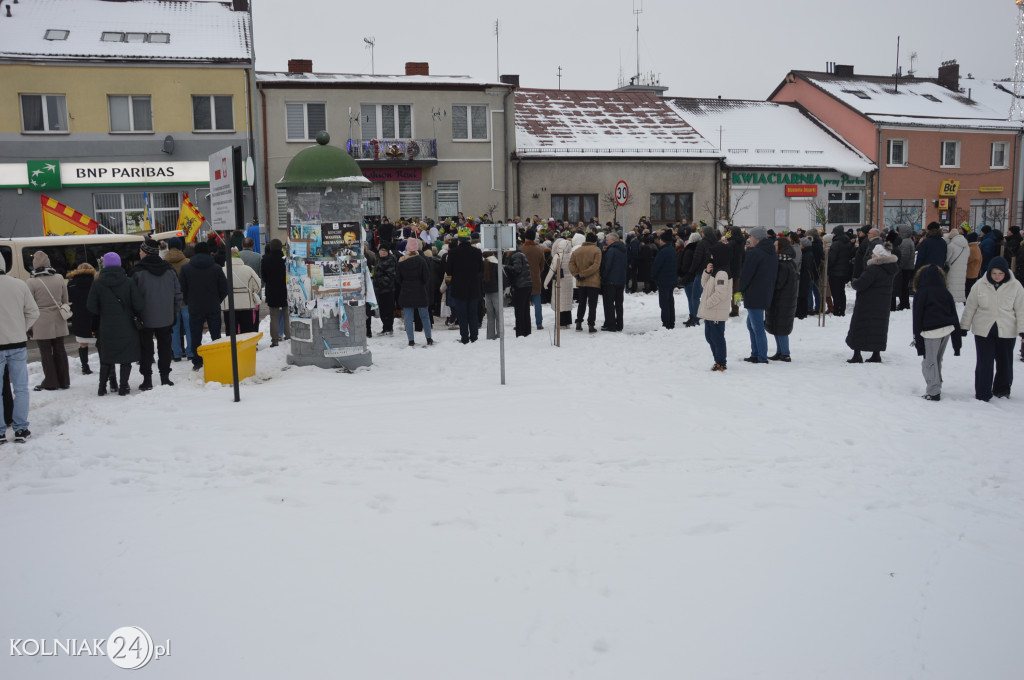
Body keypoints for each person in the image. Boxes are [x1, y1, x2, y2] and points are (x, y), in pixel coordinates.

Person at [960, 256, 1024, 401]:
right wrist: (964, 326)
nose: (997, 276)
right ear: (989, 272)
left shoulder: (1016, 286)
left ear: (1006, 273)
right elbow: (970, 307)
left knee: (1004, 362)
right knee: (985, 362)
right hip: (984, 331)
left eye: (1000, 273)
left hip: (1007, 330)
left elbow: (1021, 309)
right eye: (994, 273)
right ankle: (982, 392)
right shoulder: (979, 285)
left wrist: (1022, 330)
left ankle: (1002, 390)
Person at [87, 252, 144, 396]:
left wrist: (104, 311)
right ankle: (124, 387)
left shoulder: (97, 283)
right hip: (127, 326)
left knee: (107, 357)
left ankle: (102, 388)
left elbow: (91, 306)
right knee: (126, 358)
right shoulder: (129, 282)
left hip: (106, 326)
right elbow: (138, 304)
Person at [0, 254, 40, 443]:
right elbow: (33, 312)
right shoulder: (19, 284)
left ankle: (0, 432)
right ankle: (21, 429)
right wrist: (20, 328)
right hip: (17, 343)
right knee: (21, 388)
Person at [132, 237, 181, 390]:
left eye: (141, 251)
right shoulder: (169, 270)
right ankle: (165, 377)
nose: (139, 253)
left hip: (144, 318)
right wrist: (174, 311)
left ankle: (147, 380)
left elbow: (132, 296)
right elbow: (177, 293)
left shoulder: (136, 271)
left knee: (146, 349)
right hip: (166, 317)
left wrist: (135, 314)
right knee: (165, 347)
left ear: (146, 252)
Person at [912, 265, 962, 401]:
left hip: (930, 331)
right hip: (947, 329)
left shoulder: (921, 293)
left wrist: (918, 341)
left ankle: (933, 391)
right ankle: (936, 384)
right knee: (937, 359)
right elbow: (954, 315)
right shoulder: (945, 292)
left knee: (929, 361)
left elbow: (917, 317)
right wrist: (957, 344)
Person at [179, 241, 229, 371]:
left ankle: (197, 361)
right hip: (213, 306)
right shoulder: (216, 268)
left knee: (196, 335)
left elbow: (182, 289)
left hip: (195, 306)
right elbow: (224, 288)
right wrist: (217, 300)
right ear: (208, 252)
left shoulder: (186, 268)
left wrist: (188, 300)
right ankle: (216, 359)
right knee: (216, 335)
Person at [26, 251, 71, 391]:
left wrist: (28, 325)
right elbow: (65, 300)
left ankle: (51, 382)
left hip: (41, 320)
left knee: (45, 352)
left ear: (34, 265)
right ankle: (64, 381)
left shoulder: (31, 282)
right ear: (48, 262)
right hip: (59, 318)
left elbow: (29, 305)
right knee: (60, 350)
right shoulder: (59, 278)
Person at [846, 244, 899, 363]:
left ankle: (857, 354)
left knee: (860, 326)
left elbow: (861, 284)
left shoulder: (873, 269)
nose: (872, 255)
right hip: (883, 304)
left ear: (879, 255)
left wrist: (854, 281)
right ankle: (876, 354)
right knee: (878, 328)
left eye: (874, 253)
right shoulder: (890, 269)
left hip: (867, 303)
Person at [738, 227, 779, 364]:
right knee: (751, 325)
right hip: (765, 292)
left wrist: (740, 290)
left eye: (751, 236)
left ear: (756, 238)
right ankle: (755, 353)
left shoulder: (755, 253)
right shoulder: (771, 252)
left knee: (757, 327)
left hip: (754, 293)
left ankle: (761, 356)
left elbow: (746, 274)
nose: (750, 239)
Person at [697, 242, 732, 371]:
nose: (711, 257)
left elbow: (720, 293)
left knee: (717, 338)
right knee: (710, 337)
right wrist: (707, 272)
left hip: (716, 311)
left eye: (713, 255)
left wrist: (707, 303)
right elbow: (704, 285)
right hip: (711, 311)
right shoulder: (715, 270)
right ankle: (717, 360)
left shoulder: (722, 273)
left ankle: (721, 362)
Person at [445, 233, 484, 343]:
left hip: (459, 288)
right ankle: (474, 336)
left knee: (462, 314)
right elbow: (481, 269)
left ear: (459, 241)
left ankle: (464, 337)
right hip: (473, 287)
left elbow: (448, 271)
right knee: (473, 313)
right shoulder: (477, 252)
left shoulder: (453, 253)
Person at [765, 236, 799, 362]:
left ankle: (785, 353)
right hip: (784, 300)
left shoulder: (783, 264)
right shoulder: (787, 261)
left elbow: (778, 284)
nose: (773, 247)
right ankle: (780, 352)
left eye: (775, 246)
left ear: (781, 247)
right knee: (778, 326)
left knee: (781, 327)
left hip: (783, 300)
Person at [396, 238, 434, 346]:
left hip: (406, 292)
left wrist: (405, 284)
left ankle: (411, 340)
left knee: (408, 318)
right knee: (425, 317)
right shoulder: (421, 261)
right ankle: (428, 338)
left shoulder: (402, 261)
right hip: (420, 291)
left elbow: (398, 278)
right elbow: (426, 277)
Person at [164, 238, 193, 362]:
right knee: (189, 327)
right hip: (186, 300)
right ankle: (191, 352)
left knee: (174, 329)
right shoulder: (188, 262)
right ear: (181, 247)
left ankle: (176, 353)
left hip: (171, 301)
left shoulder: (164, 263)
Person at [66, 263, 98, 375]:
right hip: (94, 315)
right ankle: (105, 365)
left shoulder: (71, 283)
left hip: (79, 315)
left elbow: (69, 298)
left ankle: (85, 366)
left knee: (82, 342)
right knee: (100, 342)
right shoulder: (96, 282)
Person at [569, 232, 603, 332]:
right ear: (595, 241)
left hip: (581, 282)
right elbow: (596, 266)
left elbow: (571, 264)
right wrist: (583, 274)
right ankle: (591, 325)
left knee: (581, 303)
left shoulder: (577, 251)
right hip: (593, 282)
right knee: (592, 304)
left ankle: (578, 323)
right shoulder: (597, 250)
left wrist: (577, 274)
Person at [222, 248, 262, 334]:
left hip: (229, 305)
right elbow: (258, 284)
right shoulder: (248, 269)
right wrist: (252, 292)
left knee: (231, 332)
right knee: (247, 332)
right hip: (246, 304)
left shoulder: (223, 270)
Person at [262, 239, 291, 345]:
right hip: (285, 290)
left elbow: (264, 277)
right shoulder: (286, 259)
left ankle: (274, 339)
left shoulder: (265, 260)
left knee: (273, 316)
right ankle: (288, 335)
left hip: (272, 290)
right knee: (286, 314)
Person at [545, 231, 575, 328]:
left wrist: (545, 283)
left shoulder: (557, 256)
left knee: (560, 302)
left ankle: (561, 323)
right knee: (567, 302)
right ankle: (567, 322)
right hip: (569, 281)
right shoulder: (571, 255)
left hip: (560, 281)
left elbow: (551, 271)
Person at [650, 229, 678, 329]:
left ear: (663, 241)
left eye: (660, 240)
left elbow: (656, 266)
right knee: (670, 302)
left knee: (664, 303)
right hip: (671, 280)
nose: (659, 241)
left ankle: (666, 323)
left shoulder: (663, 251)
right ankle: (671, 322)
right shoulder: (672, 250)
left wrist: (653, 276)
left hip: (663, 280)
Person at [600, 232, 627, 331]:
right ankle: (619, 324)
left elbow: (608, 266)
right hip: (621, 280)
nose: (605, 241)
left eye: (607, 240)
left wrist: (603, 277)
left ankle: (610, 325)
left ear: (613, 240)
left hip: (610, 281)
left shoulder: (611, 250)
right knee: (619, 304)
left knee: (609, 303)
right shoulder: (623, 249)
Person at [520, 227, 546, 330]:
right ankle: (539, 323)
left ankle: (523, 322)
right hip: (535, 278)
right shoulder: (539, 249)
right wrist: (537, 272)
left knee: (523, 303)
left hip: (522, 279)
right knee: (537, 302)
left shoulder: (521, 249)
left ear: (526, 238)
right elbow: (542, 265)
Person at [370, 245, 396, 337]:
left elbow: (391, 275)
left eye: (385, 250)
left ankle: (389, 328)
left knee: (388, 310)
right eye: (381, 250)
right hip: (379, 290)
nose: (383, 252)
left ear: (388, 251)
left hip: (388, 289)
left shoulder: (391, 260)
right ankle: (385, 327)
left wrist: (380, 282)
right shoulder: (378, 260)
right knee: (382, 310)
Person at [827, 226, 854, 316]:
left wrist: (828, 265)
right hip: (844, 271)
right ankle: (842, 310)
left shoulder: (836, 244)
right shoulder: (847, 242)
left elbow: (832, 259)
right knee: (842, 292)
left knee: (836, 293)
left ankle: (836, 311)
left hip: (835, 272)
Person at [508, 245, 533, 337]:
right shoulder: (521, 254)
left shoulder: (516, 256)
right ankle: (526, 331)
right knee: (525, 310)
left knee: (519, 311)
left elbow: (517, 269)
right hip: (526, 285)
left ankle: (520, 332)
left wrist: (506, 267)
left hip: (520, 286)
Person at [944, 224, 969, 304]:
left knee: (952, 287)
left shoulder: (951, 246)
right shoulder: (966, 246)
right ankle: (959, 302)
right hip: (963, 271)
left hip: (952, 270)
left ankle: (952, 302)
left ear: (952, 238)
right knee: (960, 287)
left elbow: (947, 259)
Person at [482, 251, 503, 340]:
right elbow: (501, 278)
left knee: (490, 315)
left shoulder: (483, 264)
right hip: (496, 291)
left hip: (487, 292)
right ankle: (500, 334)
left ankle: (490, 335)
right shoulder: (496, 264)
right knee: (498, 314)